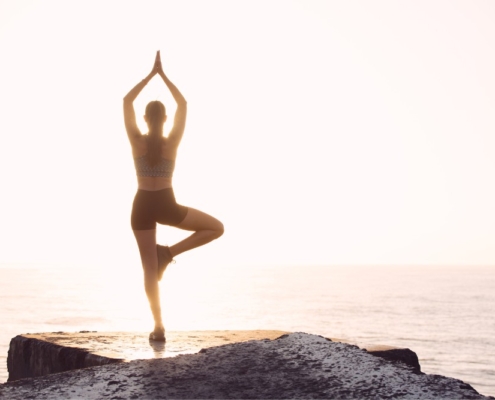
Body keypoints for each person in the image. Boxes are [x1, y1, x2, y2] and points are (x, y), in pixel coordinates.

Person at [123, 51, 224, 341]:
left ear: (145, 118)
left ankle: (158, 326)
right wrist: (163, 75)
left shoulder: (136, 141)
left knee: (149, 270)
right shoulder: (173, 142)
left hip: (141, 204)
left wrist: (149, 75)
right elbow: (183, 103)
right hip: (166, 204)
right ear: (166, 119)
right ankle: (168, 253)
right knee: (216, 228)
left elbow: (126, 101)